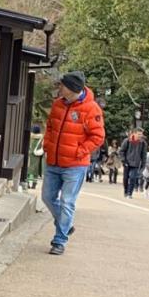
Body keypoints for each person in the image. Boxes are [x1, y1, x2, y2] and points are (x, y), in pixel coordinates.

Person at [41, 71, 105, 255]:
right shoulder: (57, 105)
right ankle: (65, 224)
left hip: (75, 165)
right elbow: (50, 126)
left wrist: (80, 151)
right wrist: (47, 145)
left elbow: (98, 136)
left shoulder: (91, 109)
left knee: (67, 201)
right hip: (54, 160)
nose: (59, 88)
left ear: (71, 88)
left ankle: (59, 240)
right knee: (47, 197)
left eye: (62, 85)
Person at [119, 127, 147, 198]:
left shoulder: (143, 143)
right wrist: (123, 160)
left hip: (136, 163)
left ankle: (129, 193)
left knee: (132, 178)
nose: (140, 136)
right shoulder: (127, 141)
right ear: (134, 133)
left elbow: (144, 155)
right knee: (125, 178)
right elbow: (121, 151)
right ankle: (125, 190)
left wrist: (143, 164)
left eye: (141, 134)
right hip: (127, 162)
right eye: (139, 134)